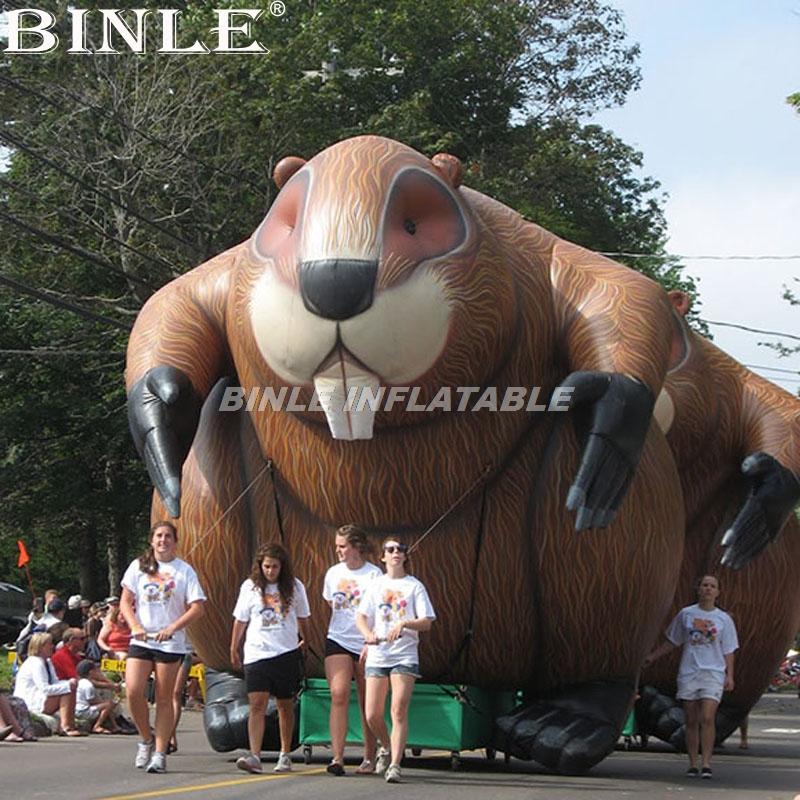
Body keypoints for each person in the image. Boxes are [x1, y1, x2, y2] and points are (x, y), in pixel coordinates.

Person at [120, 520, 206, 774]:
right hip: (142, 639)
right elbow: (126, 601)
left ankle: (160, 752)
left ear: (175, 541)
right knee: (133, 691)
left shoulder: (184, 571)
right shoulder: (138, 566)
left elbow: (198, 607)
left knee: (164, 696)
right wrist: (134, 625)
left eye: (168, 536)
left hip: (169, 643)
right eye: (159, 536)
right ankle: (145, 739)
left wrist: (173, 627)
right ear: (152, 540)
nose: (163, 540)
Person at [356, 537, 436, 784]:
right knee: (372, 714)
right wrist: (368, 635)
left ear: (404, 555)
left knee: (398, 710)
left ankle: (395, 765)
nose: (395, 553)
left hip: (404, 654)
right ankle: (386, 745)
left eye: (400, 549)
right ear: (383, 557)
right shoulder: (375, 585)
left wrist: (404, 623)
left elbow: (427, 621)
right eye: (390, 550)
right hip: (379, 654)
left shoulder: (414, 587)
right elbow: (361, 617)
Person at [644, 575, 738, 779]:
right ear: (698, 589)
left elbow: (729, 649)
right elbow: (673, 641)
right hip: (689, 672)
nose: (708, 589)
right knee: (691, 720)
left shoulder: (724, 619)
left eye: (712, 586)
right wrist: (652, 657)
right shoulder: (686, 614)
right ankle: (693, 763)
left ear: (717, 592)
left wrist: (729, 675)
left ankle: (706, 763)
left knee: (707, 717)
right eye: (705, 585)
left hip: (713, 672)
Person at [230, 543, 310, 775]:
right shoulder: (250, 587)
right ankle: (255, 755)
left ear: (282, 567)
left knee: (285, 705)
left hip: (285, 652)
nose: (270, 571)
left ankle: (285, 754)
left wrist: (305, 638)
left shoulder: (295, 587)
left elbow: (303, 616)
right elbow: (240, 620)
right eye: (266, 566)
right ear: (260, 566)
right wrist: (234, 646)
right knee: (257, 705)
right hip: (257, 653)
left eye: (275, 566)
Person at [322, 524, 382, 776]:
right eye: (337, 546)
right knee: (339, 693)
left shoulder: (374, 575)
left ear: (357, 547)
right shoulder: (333, 573)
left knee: (367, 700)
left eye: (342, 546)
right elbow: (329, 602)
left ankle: (369, 755)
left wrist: (370, 639)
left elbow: (381, 609)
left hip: (366, 640)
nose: (338, 551)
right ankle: (337, 757)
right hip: (338, 637)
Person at [12, 632, 82, 736]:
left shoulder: (47, 662)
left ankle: (70, 724)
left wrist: (69, 683)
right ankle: (65, 726)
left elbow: (55, 681)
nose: (52, 646)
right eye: (49, 644)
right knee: (67, 690)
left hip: (42, 696)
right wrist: (67, 686)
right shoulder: (36, 663)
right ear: (40, 647)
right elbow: (44, 688)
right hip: (31, 699)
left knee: (69, 687)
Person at [75, 659, 122, 734]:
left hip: (78, 709)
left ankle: (114, 726)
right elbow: (91, 701)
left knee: (109, 704)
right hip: (83, 711)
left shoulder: (80, 682)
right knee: (109, 705)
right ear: (91, 672)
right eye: (96, 670)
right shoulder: (88, 685)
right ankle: (97, 726)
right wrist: (107, 703)